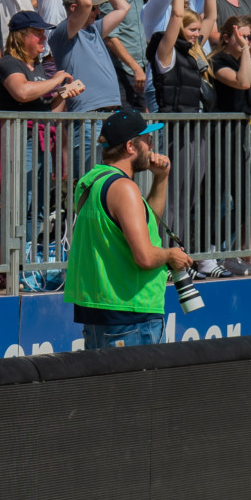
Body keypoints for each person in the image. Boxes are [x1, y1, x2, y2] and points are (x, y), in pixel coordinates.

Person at [62, 107, 190, 349]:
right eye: (147, 141)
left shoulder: (93, 181)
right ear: (131, 146)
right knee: (135, 388)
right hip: (130, 312)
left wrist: (161, 178)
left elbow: (143, 222)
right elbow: (144, 256)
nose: (152, 147)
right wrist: (171, 255)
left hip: (103, 310)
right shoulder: (124, 188)